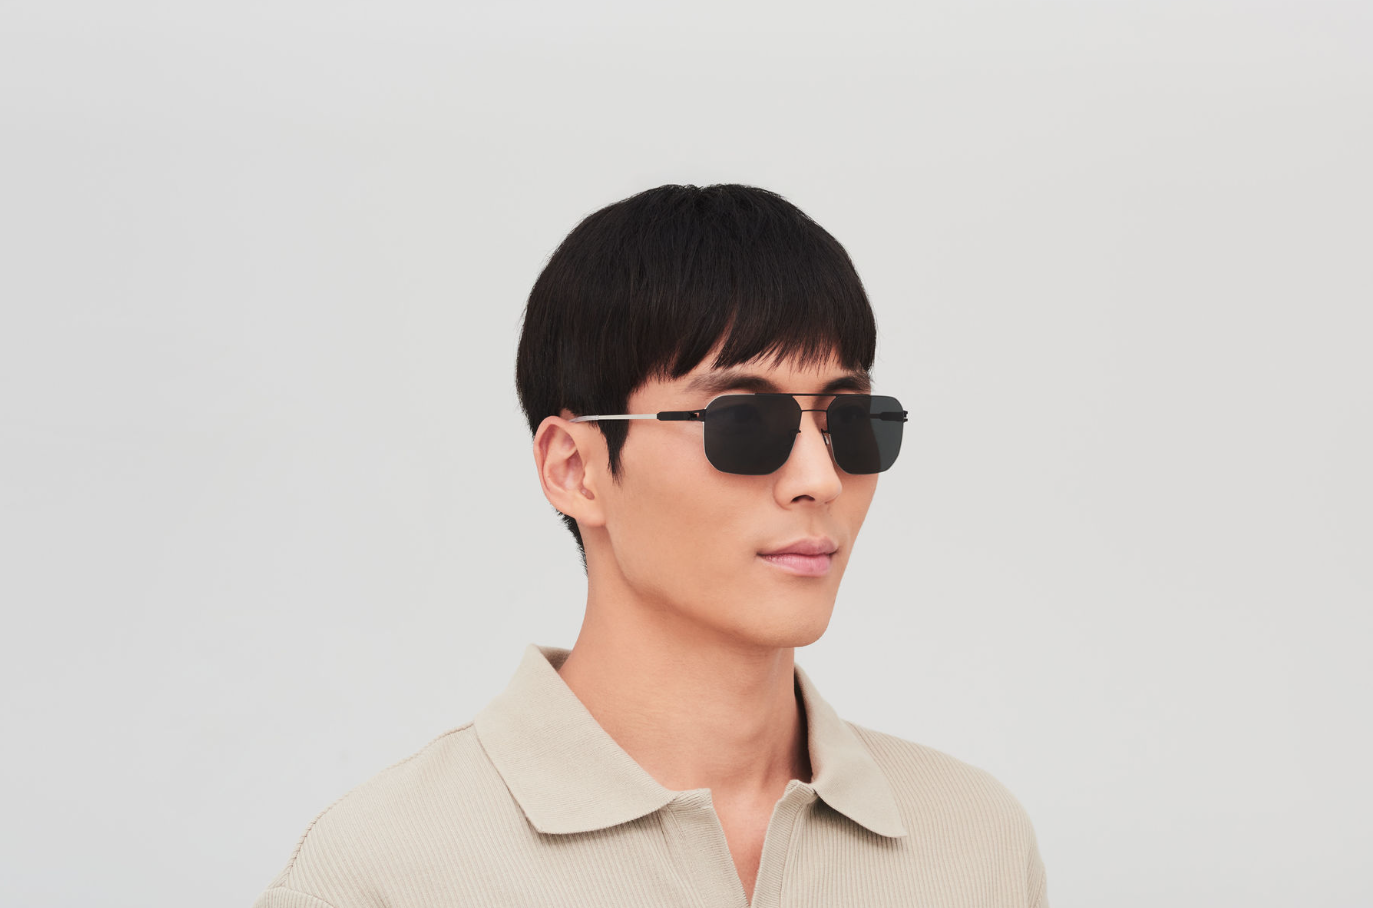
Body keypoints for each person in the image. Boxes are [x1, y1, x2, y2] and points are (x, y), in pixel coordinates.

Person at [252, 184, 1049, 907]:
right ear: (575, 469)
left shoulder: (972, 843)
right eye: (743, 420)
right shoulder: (384, 874)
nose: (819, 479)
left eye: (849, 419)